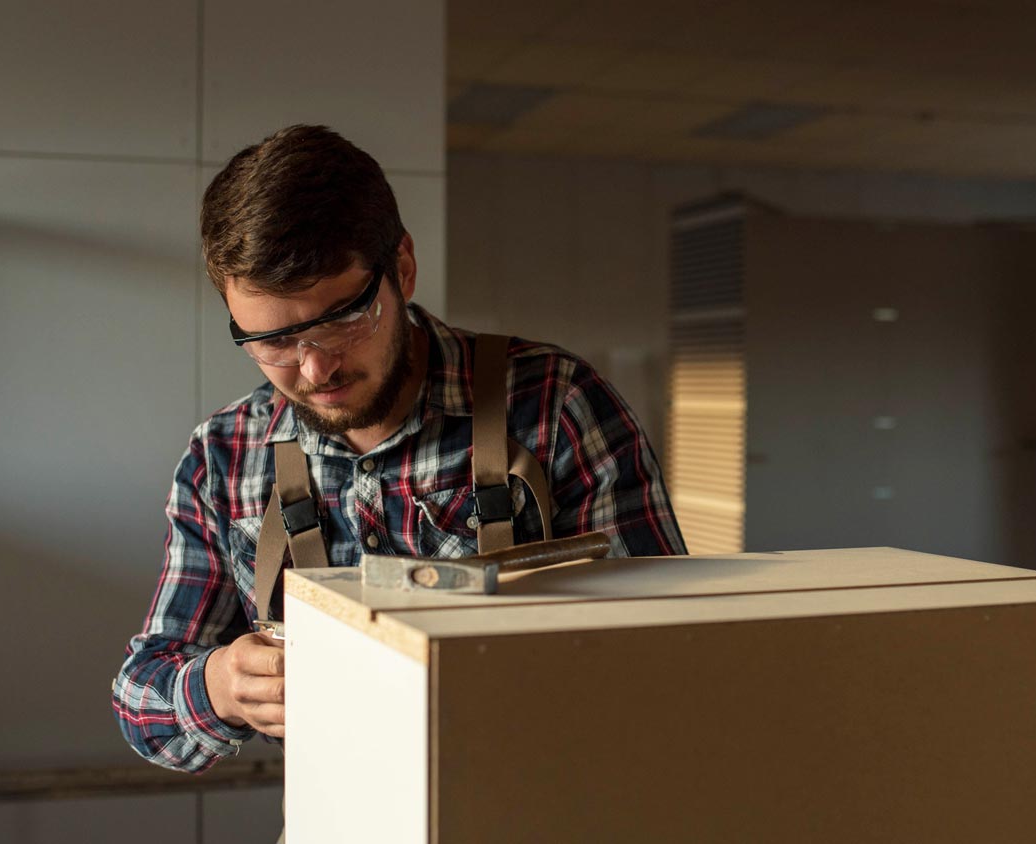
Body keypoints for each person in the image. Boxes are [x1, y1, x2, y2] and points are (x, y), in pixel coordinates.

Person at [112, 124, 686, 773]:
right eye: (272, 344)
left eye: (343, 323)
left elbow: (665, 662)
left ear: (402, 270)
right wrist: (217, 685)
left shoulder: (556, 406)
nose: (314, 370)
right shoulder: (226, 456)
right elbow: (143, 706)